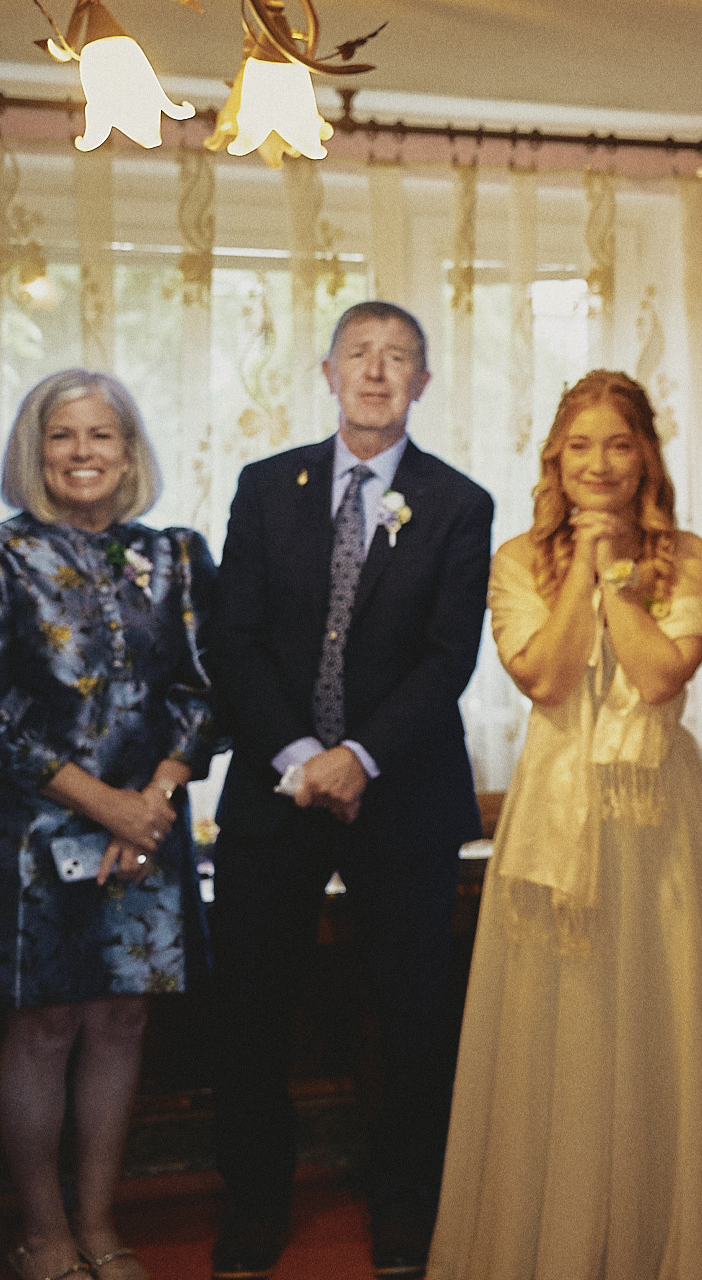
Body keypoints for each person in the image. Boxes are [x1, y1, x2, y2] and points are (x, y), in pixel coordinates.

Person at [427, 371, 702, 1280]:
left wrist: (617, 575)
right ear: (556, 457)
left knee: (663, 1025)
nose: (599, 463)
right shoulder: (516, 560)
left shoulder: (691, 557)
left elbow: (657, 678)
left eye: (619, 444)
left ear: (645, 455)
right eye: (580, 446)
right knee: (560, 1027)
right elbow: (545, 678)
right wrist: (579, 564)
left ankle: (658, 1242)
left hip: (661, 820)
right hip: (553, 812)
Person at [209, 302, 493, 1280]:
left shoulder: (459, 503)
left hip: (403, 797)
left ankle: (403, 1205)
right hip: (273, 796)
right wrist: (302, 756)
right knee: (253, 1008)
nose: (377, 371)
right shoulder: (264, 487)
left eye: (398, 357)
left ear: (423, 383)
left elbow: (448, 656)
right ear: (327, 373)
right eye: (359, 354)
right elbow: (234, 638)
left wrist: (360, 756)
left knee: (412, 1016)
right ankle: (255, 1201)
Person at [0, 370, 220, 1280]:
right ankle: (43, 1233)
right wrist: (108, 807)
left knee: (122, 1019)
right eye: (62, 435)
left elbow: (203, 691)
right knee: (48, 1025)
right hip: (31, 833)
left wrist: (155, 803)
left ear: (129, 451)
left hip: (149, 825)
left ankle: (99, 1225)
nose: (82, 452)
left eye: (102, 434)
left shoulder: (175, 555)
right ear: (36, 451)